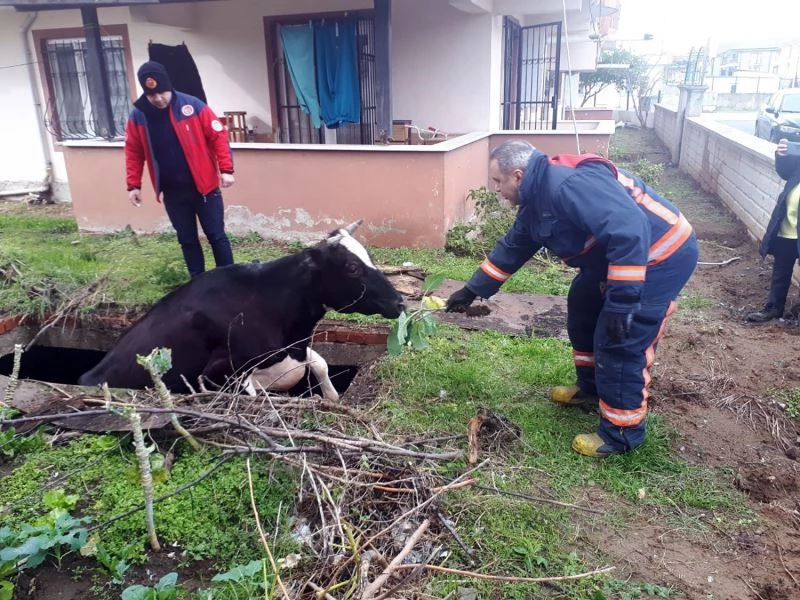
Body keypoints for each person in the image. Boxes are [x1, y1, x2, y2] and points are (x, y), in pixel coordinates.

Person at [445, 140, 698, 458]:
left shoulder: (567, 184)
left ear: (518, 176)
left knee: (620, 337)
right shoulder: (537, 200)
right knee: (583, 306)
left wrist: (622, 302)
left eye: (498, 181)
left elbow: (629, 230)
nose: (496, 189)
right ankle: (592, 388)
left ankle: (622, 432)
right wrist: (472, 290)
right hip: (613, 259)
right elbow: (514, 246)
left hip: (659, 256)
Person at [125, 61, 235, 278]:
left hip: (204, 189)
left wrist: (226, 169)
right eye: (152, 95)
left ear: (169, 86)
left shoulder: (192, 106)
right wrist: (133, 185)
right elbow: (133, 151)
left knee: (216, 235)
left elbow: (218, 137)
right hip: (173, 193)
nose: (158, 99)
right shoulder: (138, 115)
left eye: (161, 93)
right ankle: (197, 283)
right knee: (186, 239)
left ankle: (230, 279)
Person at [746, 139, 800, 322]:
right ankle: (773, 309)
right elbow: (785, 171)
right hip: (788, 230)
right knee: (781, 272)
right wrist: (782, 154)